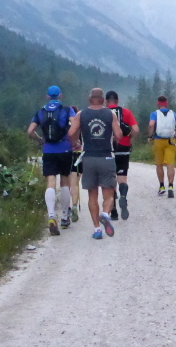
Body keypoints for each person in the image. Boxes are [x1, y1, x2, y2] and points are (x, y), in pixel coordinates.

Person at [67, 88, 123, 239]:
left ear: (89, 99)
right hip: (106, 157)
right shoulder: (110, 114)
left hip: (88, 158)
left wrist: (76, 142)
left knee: (92, 195)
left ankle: (97, 229)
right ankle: (105, 214)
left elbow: (71, 133)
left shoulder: (81, 114)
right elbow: (118, 134)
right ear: (103, 100)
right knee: (109, 194)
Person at [27, 86, 76, 235]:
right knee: (65, 181)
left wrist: (40, 140)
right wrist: (74, 141)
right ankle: (65, 217)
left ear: (47, 97)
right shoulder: (67, 110)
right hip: (65, 148)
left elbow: (30, 131)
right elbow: (74, 125)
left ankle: (51, 216)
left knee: (50, 181)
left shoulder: (40, 112)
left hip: (48, 150)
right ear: (60, 95)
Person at [105, 91, 139, 220]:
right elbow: (136, 129)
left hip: (108, 149)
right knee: (122, 178)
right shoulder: (126, 112)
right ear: (117, 101)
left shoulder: (104, 112)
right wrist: (129, 137)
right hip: (124, 147)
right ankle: (123, 196)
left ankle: (113, 211)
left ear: (106, 101)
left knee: (111, 179)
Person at [148, 95, 176, 198]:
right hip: (171, 141)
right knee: (170, 164)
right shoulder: (173, 114)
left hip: (158, 140)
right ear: (167, 103)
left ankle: (161, 186)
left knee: (159, 164)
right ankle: (171, 186)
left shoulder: (154, 114)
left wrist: (150, 136)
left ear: (158, 103)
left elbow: (151, 124)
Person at [69, 105, 83, 222]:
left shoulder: (65, 124)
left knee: (68, 183)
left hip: (67, 154)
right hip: (79, 155)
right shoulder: (80, 123)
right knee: (75, 183)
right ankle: (74, 206)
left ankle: (69, 208)